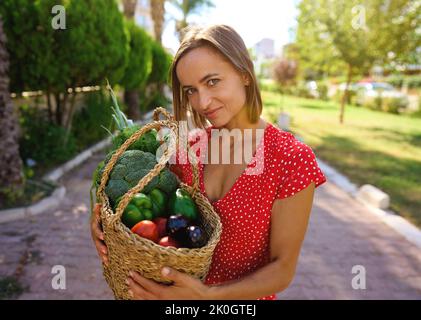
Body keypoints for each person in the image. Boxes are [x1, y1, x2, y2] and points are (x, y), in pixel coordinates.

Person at [91, 24, 326, 300]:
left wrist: (206, 295)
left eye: (212, 81)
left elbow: (282, 269)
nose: (202, 102)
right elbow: (147, 212)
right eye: (190, 90)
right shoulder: (187, 149)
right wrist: (103, 224)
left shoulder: (291, 159)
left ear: (245, 74)